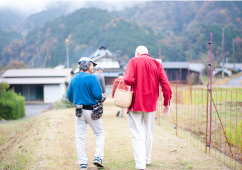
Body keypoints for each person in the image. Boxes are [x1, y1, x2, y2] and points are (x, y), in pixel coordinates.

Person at [123, 46, 172, 170]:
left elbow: (128, 80)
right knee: (149, 131)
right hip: (151, 103)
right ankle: (147, 159)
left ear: (137, 52)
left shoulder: (133, 61)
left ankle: (140, 165)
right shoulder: (157, 63)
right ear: (147, 53)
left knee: (137, 133)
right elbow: (165, 84)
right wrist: (166, 102)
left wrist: (132, 80)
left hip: (136, 102)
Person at [67, 57, 106, 170]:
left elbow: (69, 97)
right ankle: (98, 157)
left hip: (78, 111)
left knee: (80, 138)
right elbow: (98, 96)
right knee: (99, 133)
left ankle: (83, 164)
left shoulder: (73, 79)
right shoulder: (92, 78)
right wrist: (102, 97)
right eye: (92, 64)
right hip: (91, 110)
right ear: (87, 65)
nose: (93, 67)